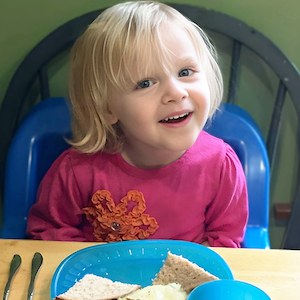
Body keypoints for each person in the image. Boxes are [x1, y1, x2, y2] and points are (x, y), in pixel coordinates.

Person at [26, 1, 248, 247]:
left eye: (185, 72)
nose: (176, 92)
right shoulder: (76, 171)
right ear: (108, 108)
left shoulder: (221, 166)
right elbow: (49, 238)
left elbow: (226, 244)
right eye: (145, 83)